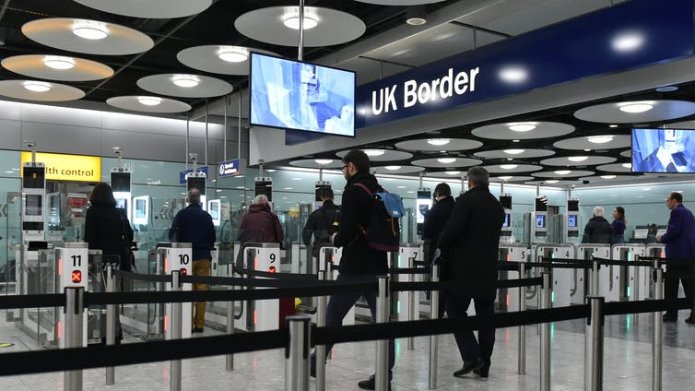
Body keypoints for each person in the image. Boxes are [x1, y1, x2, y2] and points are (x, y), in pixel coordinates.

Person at [310, 150, 395, 390]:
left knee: (333, 315)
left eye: (343, 167)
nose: (343, 171)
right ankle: (385, 375)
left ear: (352, 167)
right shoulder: (380, 190)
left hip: (355, 266)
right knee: (384, 322)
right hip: (379, 265)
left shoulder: (353, 191)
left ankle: (317, 361)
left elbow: (346, 231)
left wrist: (336, 238)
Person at [437, 167, 505, 379]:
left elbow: (452, 231)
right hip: (488, 269)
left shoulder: (465, 201)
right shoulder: (497, 206)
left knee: (454, 310)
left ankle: (472, 356)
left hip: (463, 270)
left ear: (469, 182)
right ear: (487, 182)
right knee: (486, 316)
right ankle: (484, 364)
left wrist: (441, 243)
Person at [85, 182, 134, 344]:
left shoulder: (93, 212)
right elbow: (130, 234)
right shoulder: (118, 212)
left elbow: (89, 239)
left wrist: (89, 261)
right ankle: (116, 333)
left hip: (100, 261)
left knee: (101, 297)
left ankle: (104, 334)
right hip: (118, 262)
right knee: (113, 298)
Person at [169, 189, 216, 333]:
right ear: (199, 199)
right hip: (203, 257)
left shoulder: (182, 214)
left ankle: (187, 323)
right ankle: (199, 325)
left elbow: (172, 234)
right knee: (201, 291)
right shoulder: (206, 216)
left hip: (186, 257)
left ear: (188, 199)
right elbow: (212, 236)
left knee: (187, 290)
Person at [656, 192, 695, 323]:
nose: (667, 203)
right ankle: (693, 313)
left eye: (668, 200)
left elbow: (674, 231)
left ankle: (671, 314)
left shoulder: (676, 212)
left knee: (671, 285)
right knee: (689, 286)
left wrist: (661, 238)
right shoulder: (689, 213)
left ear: (674, 200)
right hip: (689, 255)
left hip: (676, 255)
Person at [302, 187, 340, 260]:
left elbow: (307, 233)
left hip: (320, 248)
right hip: (337, 247)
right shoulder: (340, 212)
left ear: (322, 197)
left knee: (321, 269)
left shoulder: (315, 214)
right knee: (336, 268)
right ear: (333, 197)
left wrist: (308, 244)